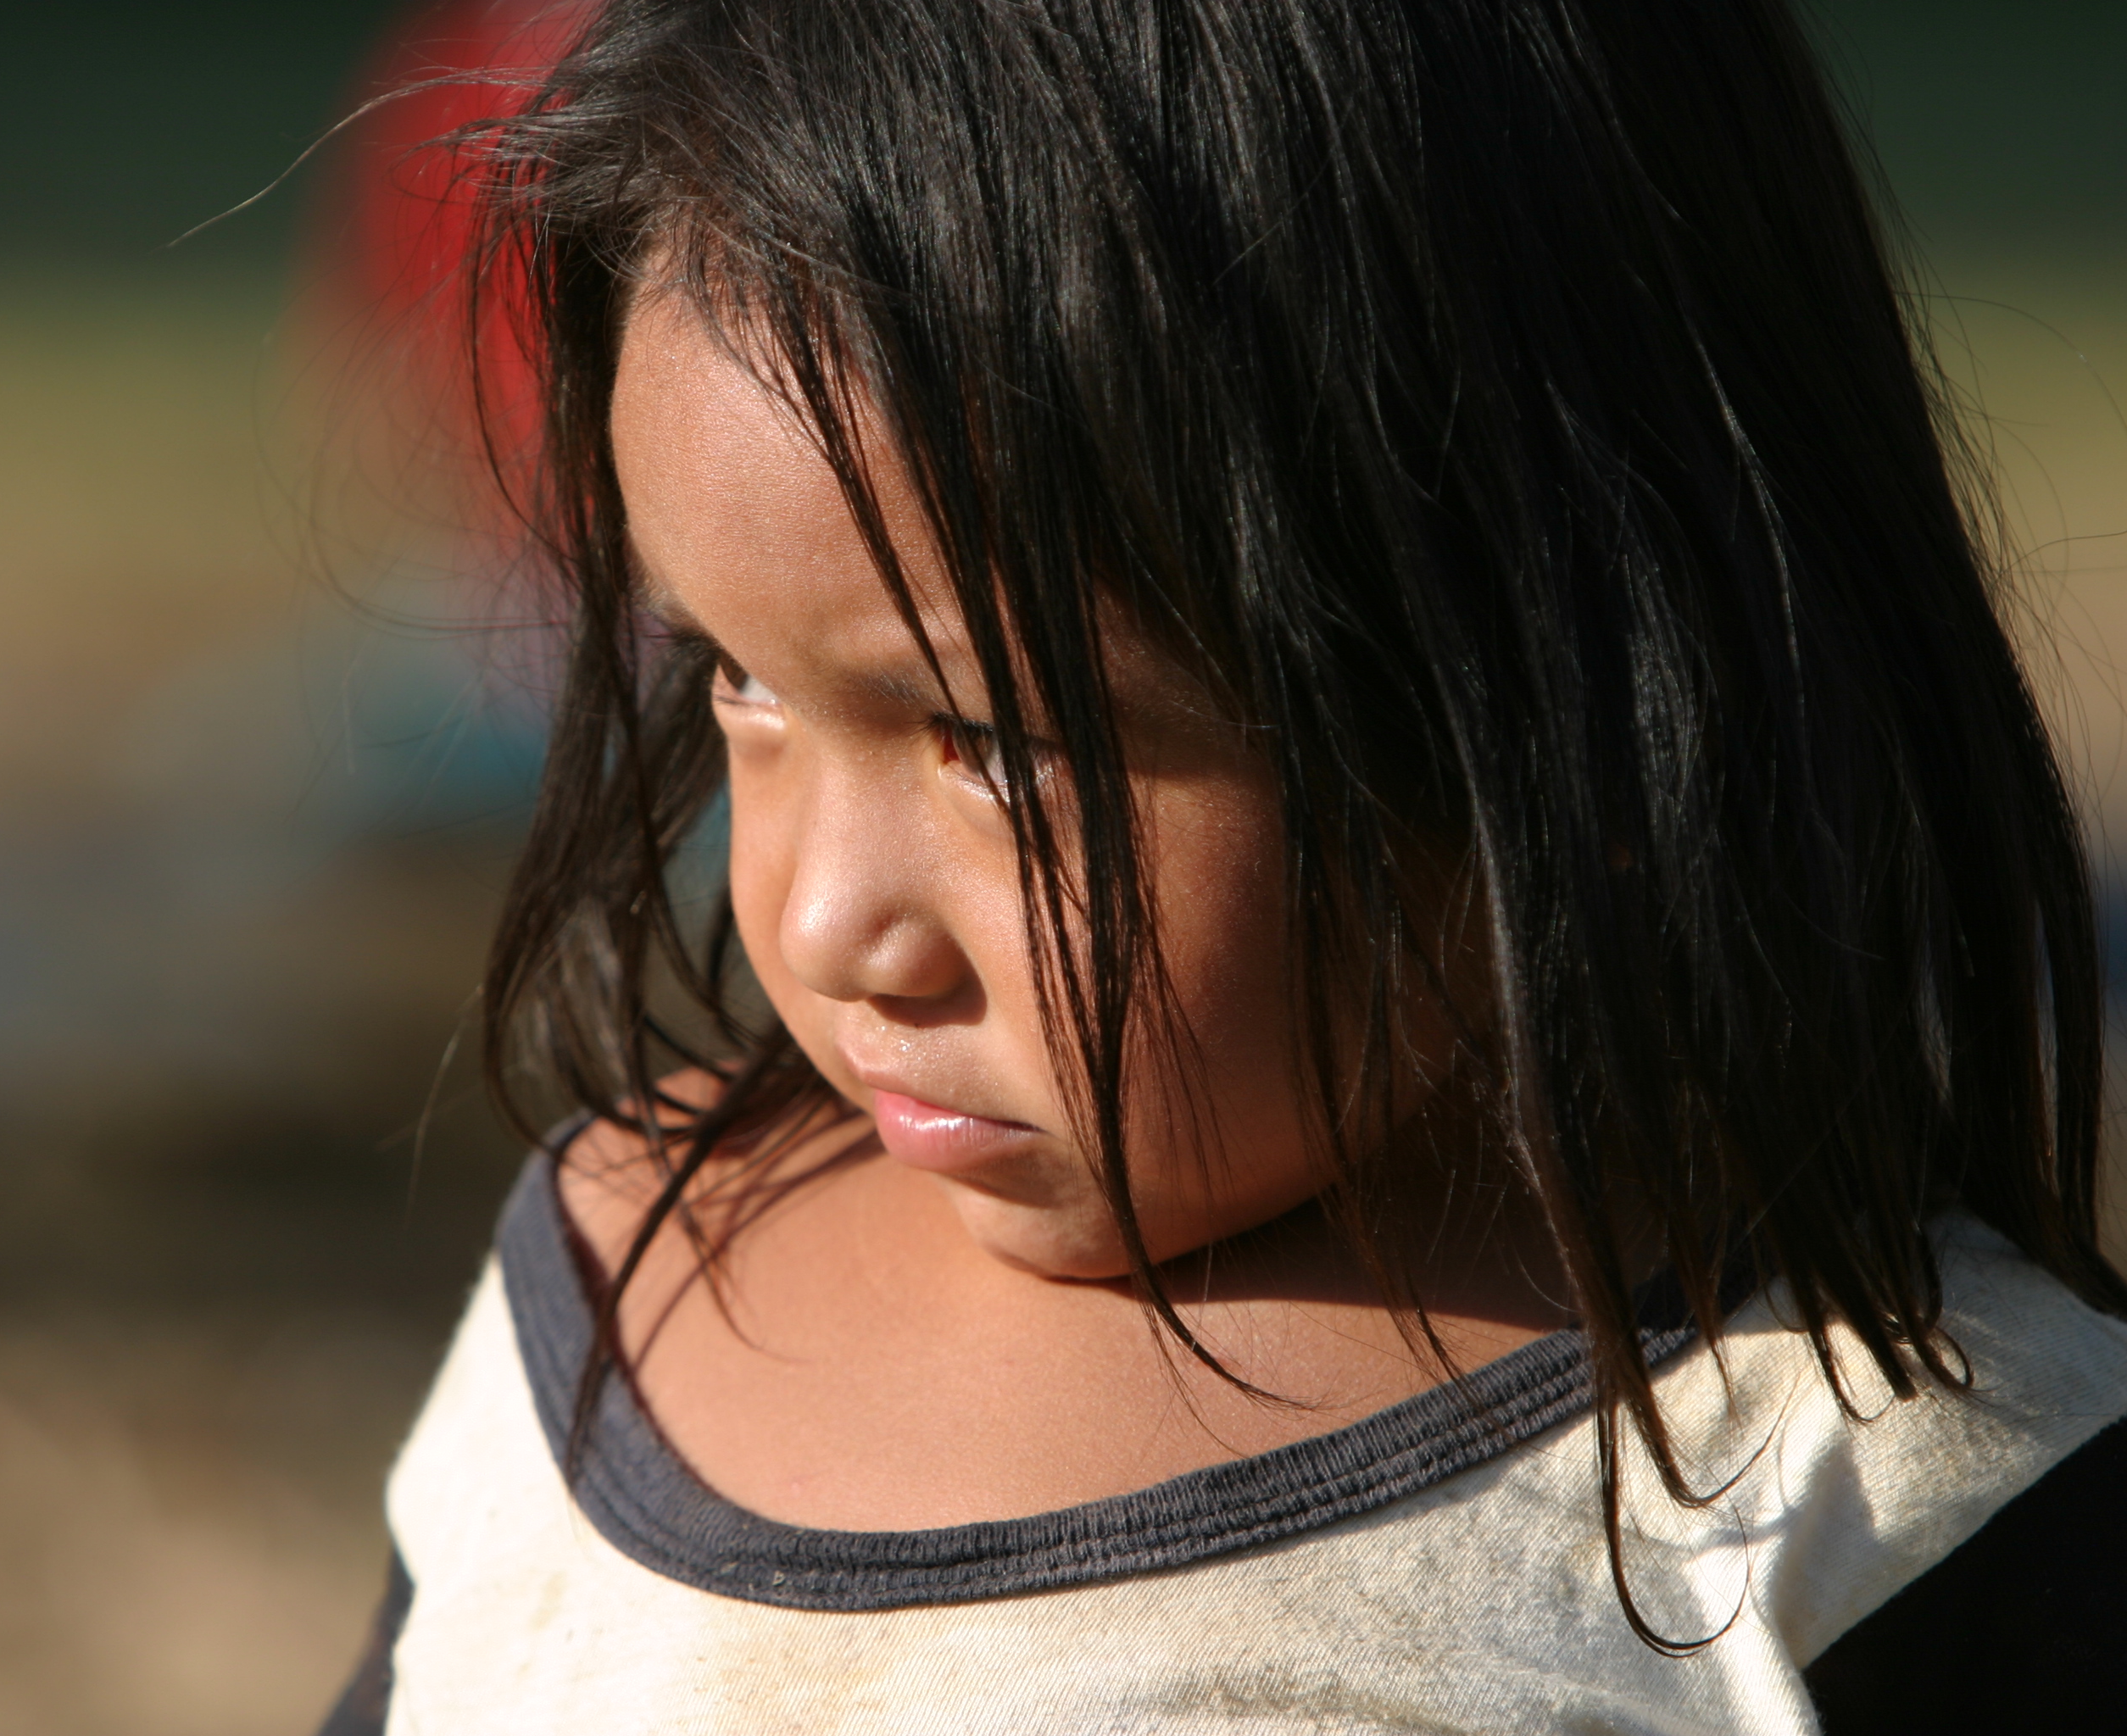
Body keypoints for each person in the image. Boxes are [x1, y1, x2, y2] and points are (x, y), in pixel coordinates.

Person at [319, 1, 2127, 1729]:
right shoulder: (613, 1293)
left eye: (1007, 746)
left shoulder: (1888, 1480)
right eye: (734, 677)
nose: (817, 919)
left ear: (1548, 635)